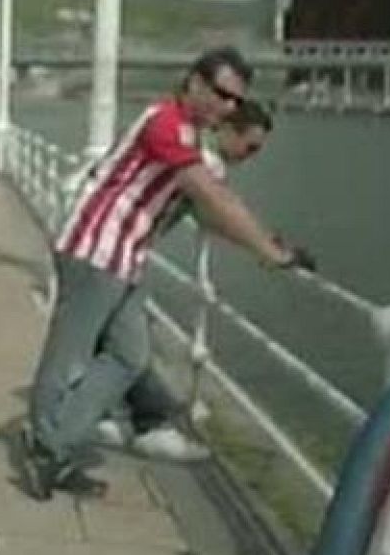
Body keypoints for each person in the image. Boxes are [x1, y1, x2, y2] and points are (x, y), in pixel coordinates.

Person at [17, 47, 314, 501]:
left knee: (129, 357)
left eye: (235, 100)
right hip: (93, 252)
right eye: (221, 94)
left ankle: (54, 442)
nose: (228, 106)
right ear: (194, 82)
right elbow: (212, 199)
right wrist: (269, 254)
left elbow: (210, 212)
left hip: (123, 259)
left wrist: (269, 247)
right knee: (68, 357)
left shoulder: (190, 136)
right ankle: (48, 450)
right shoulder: (166, 125)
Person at [95, 99, 278, 462]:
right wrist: (269, 251)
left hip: (110, 247)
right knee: (126, 343)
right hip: (108, 250)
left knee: (113, 337)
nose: (251, 155)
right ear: (227, 130)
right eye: (250, 146)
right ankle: (130, 421)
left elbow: (209, 215)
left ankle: (121, 416)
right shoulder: (201, 163)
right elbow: (218, 211)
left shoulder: (191, 151)